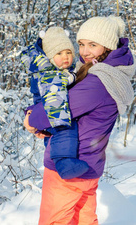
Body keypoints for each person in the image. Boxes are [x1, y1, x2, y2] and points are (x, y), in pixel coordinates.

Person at [24, 16, 136, 225]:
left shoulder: (97, 81)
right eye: (81, 44)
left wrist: (31, 117)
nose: (84, 51)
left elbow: (54, 109)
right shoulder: (105, 75)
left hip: (69, 168)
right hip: (89, 166)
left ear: (108, 46)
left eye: (92, 45)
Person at [21, 26, 89, 179]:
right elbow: (52, 101)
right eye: (59, 53)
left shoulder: (60, 71)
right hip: (51, 114)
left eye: (68, 52)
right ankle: (64, 164)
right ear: (50, 57)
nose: (65, 57)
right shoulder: (51, 75)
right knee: (64, 131)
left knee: (58, 138)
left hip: (45, 114)